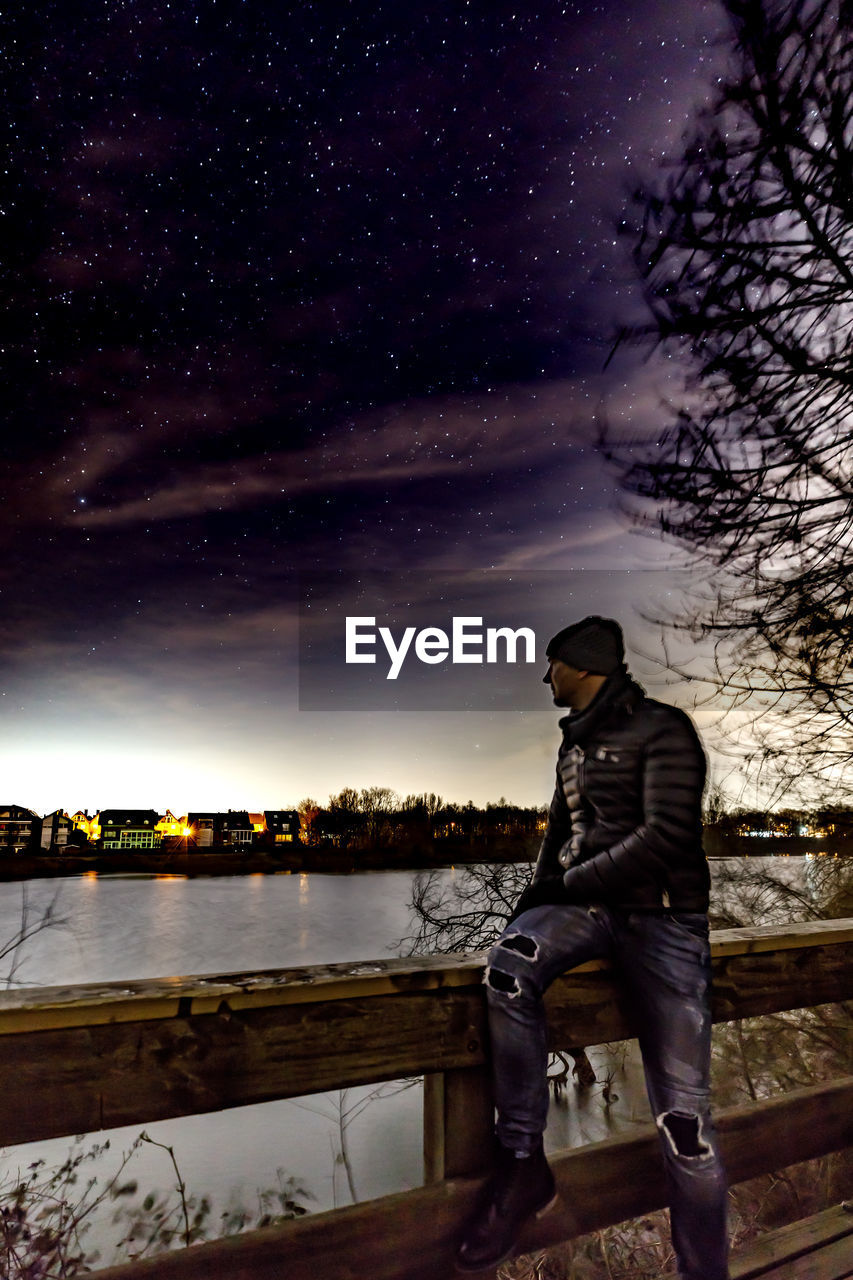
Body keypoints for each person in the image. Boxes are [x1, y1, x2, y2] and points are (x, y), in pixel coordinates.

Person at [456, 616, 728, 1278]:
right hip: (588, 911)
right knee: (510, 968)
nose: (543, 674)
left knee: (684, 1130)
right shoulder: (571, 744)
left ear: (580, 667)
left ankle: (704, 1271)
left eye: (550, 663)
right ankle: (522, 1164)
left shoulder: (662, 730)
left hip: (661, 920)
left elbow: (665, 836)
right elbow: (560, 836)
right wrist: (535, 899)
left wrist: (565, 882)